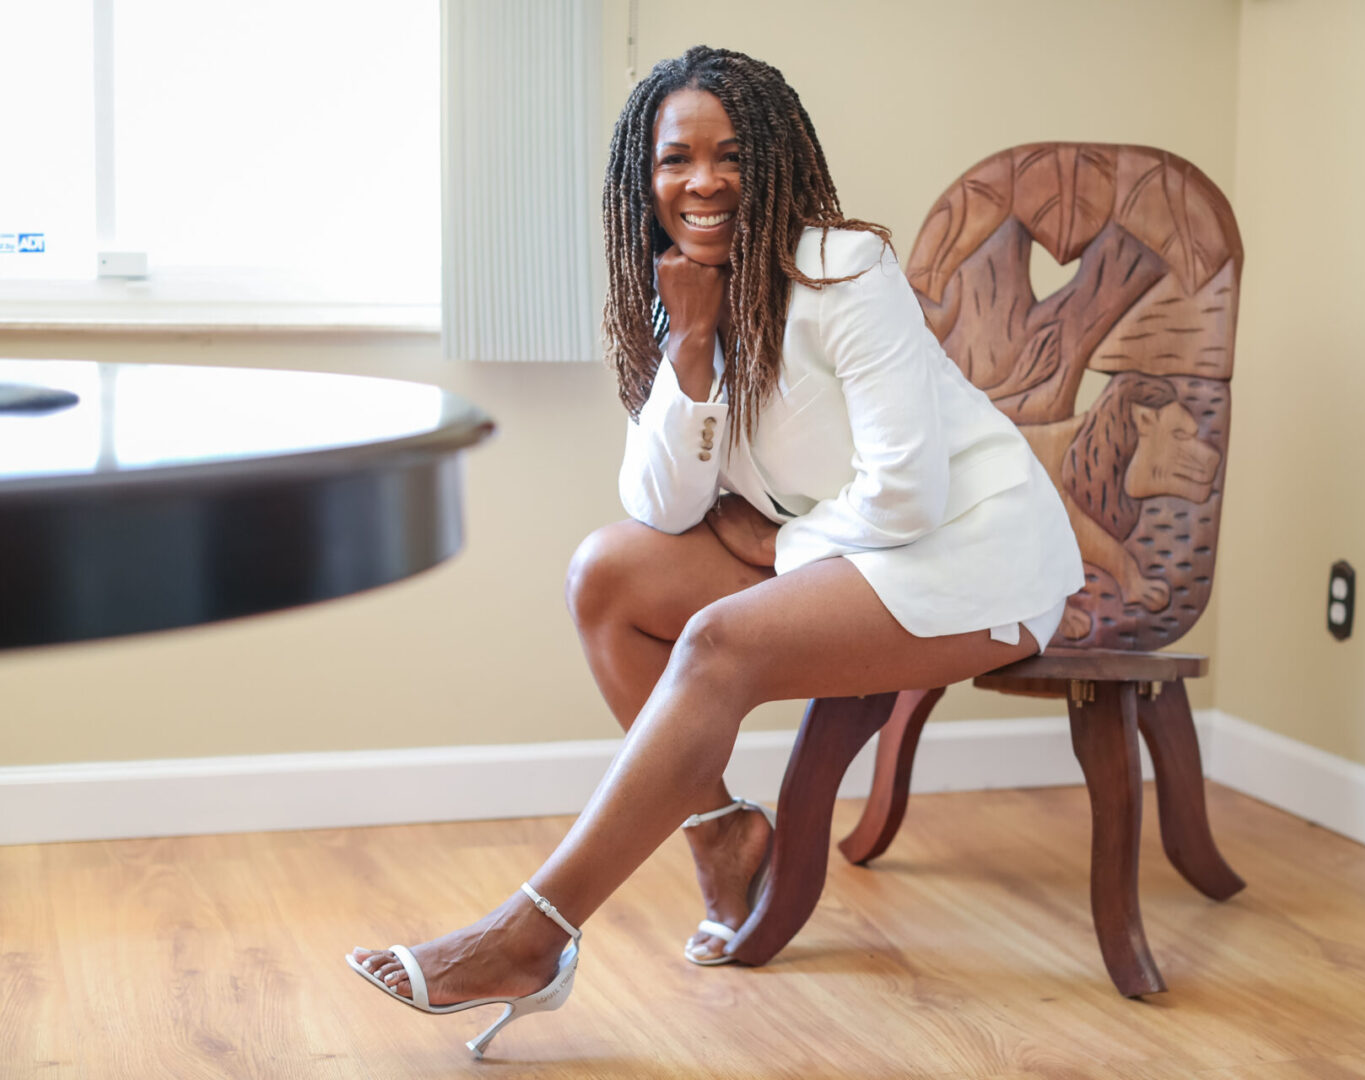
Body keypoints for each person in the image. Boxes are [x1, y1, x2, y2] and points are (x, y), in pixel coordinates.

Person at [347, 45, 1082, 1057]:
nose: (702, 181)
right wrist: (689, 353)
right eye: (674, 160)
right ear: (640, 181)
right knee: (607, 576)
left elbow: (913, 489)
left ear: (774, 160)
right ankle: (723, 833)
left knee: (715, 642)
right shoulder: (687, 293)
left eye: (731, 155)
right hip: (852, 547)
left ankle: (531, 934)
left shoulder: (845, 272)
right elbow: (659, 502)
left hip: (974, 550)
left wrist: (780, 546)